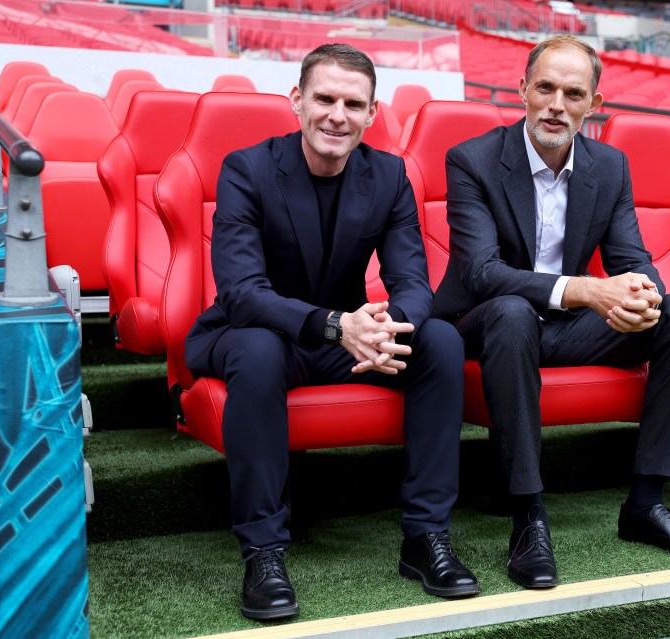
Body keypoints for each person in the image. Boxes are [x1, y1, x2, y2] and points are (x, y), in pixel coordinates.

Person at [185, 43, 479, 621]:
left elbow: (414, 282)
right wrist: (335, 324)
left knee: (440, 339)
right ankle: (264, 550)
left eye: (353, 103)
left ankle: (426, 538)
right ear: (297, 101)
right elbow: (243, 292)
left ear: (372, 115)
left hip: (344, 337)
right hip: (257, 331)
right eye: (324, 98)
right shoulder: (247, 168)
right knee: (259, 350)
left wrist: (391, 326)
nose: (336, 115)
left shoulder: (390, 175)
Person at [435, 36, 670, 590]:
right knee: (512, 313)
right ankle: (529, 517)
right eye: (544, 88)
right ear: (521, 90)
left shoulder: (610, 165)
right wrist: (588, 291)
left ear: (594, 104)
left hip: (562, 328)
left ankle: (646, 504)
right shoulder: (472, 160)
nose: (556, 104)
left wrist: (643, 297)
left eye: (573, 93)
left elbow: (632, 256)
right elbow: (482, 272)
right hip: (483, 324)